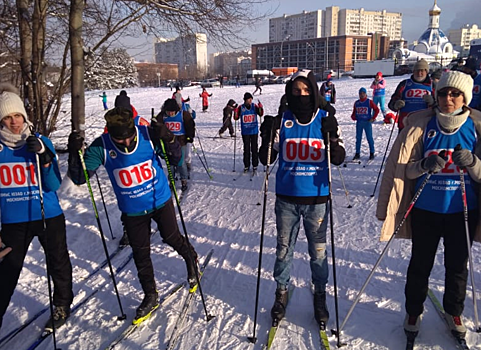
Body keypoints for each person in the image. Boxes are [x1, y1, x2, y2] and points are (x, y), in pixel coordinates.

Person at [67, 107, 199, 323]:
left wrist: (169, 137)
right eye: (120, 140)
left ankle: (191, 259)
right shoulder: (102, 145)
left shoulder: (147, 134)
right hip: (132, 210)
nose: (127, 143)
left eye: (129, 137)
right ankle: (150, 294)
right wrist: (75, 153)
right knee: (140, 252)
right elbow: (80, 178)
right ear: (110, 133)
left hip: (159, 199)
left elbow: (176, 160)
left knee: (171, 237)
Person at [376, 71, 481, 340]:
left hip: (462, 211)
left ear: (465, 99)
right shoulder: (423, 125)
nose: (448, 98)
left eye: (455, 93)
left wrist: (472, 163)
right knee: (420, 264)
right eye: (444, 92)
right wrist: (424, 165)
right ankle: (413, 311)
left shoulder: (475, 127)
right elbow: (405, 171)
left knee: (457, 266)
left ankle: (453, 311)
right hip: (426, 210)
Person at [258, 69, 345, 326]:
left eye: (307, 90)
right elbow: (267, 159)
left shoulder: (323, 119)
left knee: (318, 253)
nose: (302, 95)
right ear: (290, 92)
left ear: (315, 92)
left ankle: (320, 294)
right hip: (286, 199)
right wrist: (266, 136)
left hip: (317, 201)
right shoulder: (283, 119)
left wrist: (333, 139)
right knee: (284, 250)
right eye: (297, 91)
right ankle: (281, 292)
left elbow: (338, 159)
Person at [0, 83, 73, 331]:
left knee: (58, 262)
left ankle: (62, 304)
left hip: (47, 215)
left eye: (17, 115)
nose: (14, 122)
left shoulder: (41, 141)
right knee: (6, 273)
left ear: (24, 115)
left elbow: (53, 184)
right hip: (13, 221)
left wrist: (44, 156)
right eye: (7, 117)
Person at [388, 59, 433, 131]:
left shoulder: (432, 85)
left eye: (422, 70)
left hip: (424, 124)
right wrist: (396, 104)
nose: (419, 73)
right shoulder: (404, 84)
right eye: (417, 70)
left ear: (426, 72)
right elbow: (392, 102)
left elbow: (441, 106)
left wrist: (433, 102)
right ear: (413, 71)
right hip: (405, 124)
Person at [160, 99, 195, 191]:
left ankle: (183, 179)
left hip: (180, 141)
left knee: (180, 161)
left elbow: (190, 126)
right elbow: (157, 125)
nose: (170, 114)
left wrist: (190, 136)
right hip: (168, 142)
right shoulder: (163, 115)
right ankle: (171, 180)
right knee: (170, 162)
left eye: (172, 112)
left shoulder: (184, 115)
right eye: (168, 112)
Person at [233, 92, 264, 173]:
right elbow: (236, 118)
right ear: (245, 100)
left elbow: (260, 114)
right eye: (248, 99)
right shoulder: (241, 107)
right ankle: (246, 165)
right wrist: (235, 112)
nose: (250, 101)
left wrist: (261, 108)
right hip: (245, 132)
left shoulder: (254, 106)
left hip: (254, 131)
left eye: (251, 99)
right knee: (246, 149)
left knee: (254, 148)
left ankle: (255, 165)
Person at [351, 87, 379, 161]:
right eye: (360, 93)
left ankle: (372, 152)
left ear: (366, 94)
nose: (362, 95)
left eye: (363, 93)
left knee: (369, 138)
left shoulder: (369, 102)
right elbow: (354, 113)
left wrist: (373, 117)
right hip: (359, 122)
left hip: (367, 122)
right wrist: (353, 117)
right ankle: (357, 153)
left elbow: (376, 109)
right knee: (358, 138)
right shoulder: (357, 103)